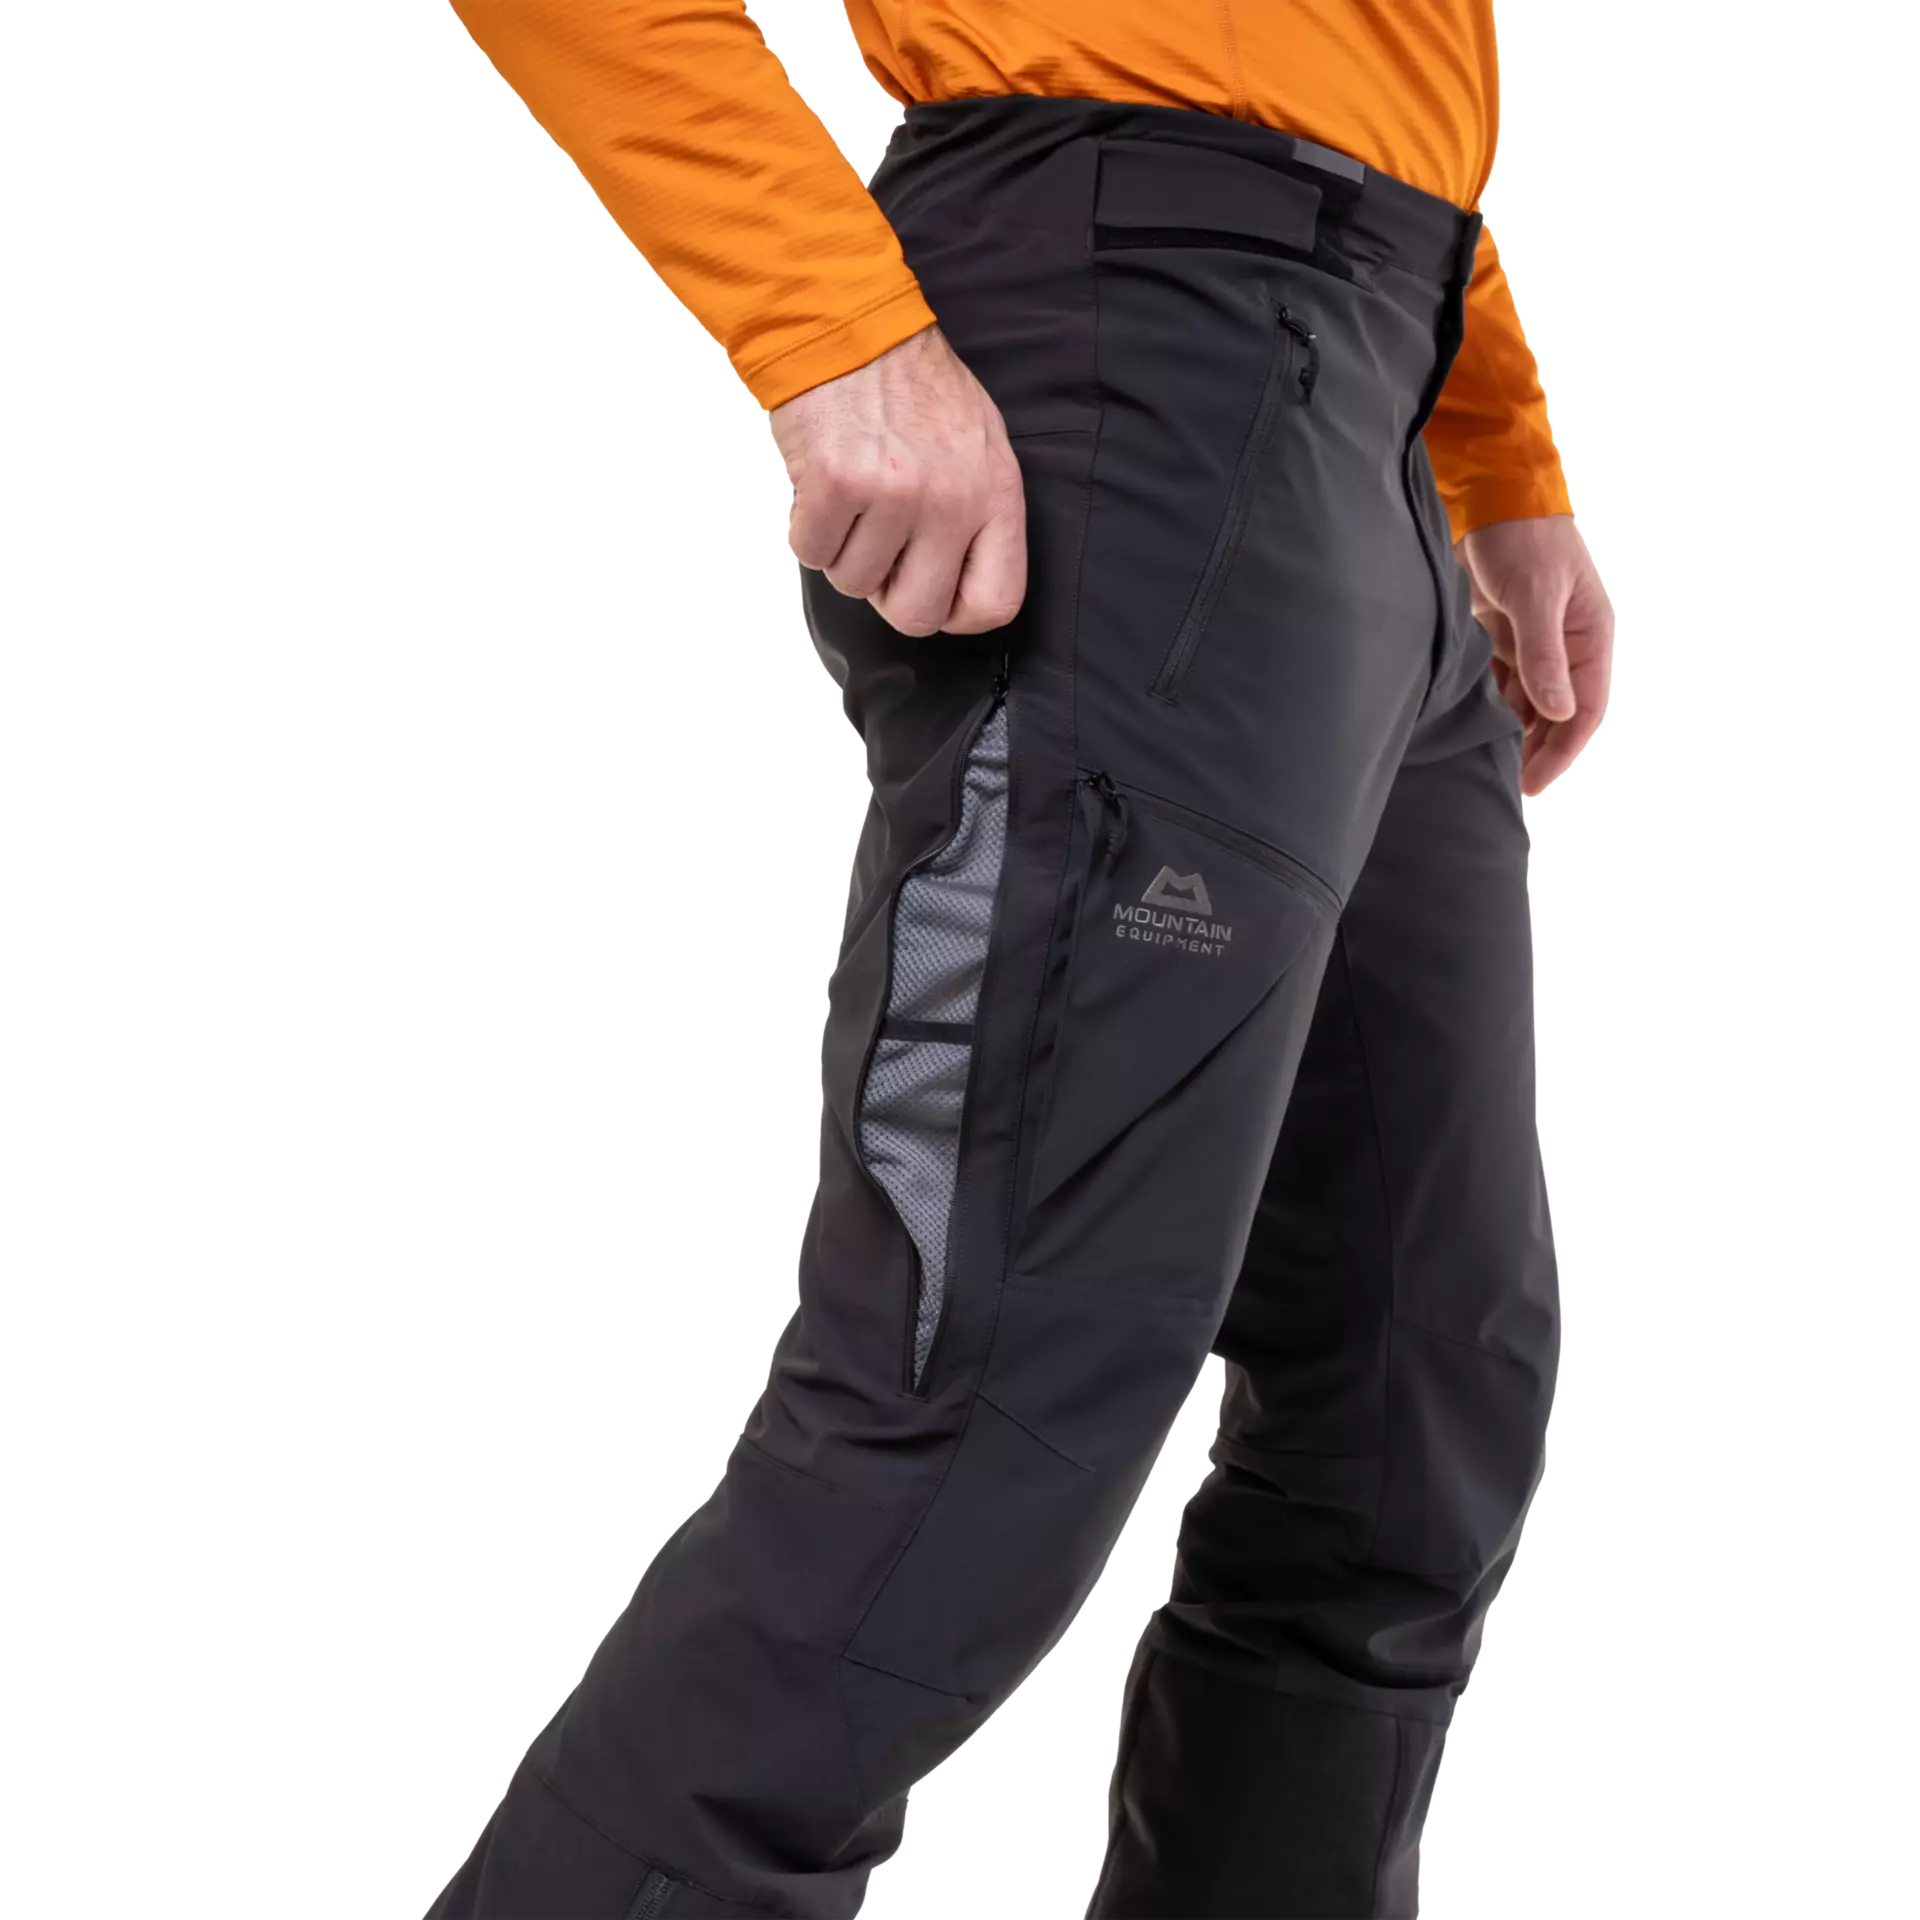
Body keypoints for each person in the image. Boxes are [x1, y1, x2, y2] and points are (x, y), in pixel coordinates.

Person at [435, 5, 1613, 1917]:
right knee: (968, 1421)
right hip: (1139, 353)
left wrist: (1499, 459)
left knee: (1410, 1405)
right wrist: (836, 332)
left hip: (1379, 406)